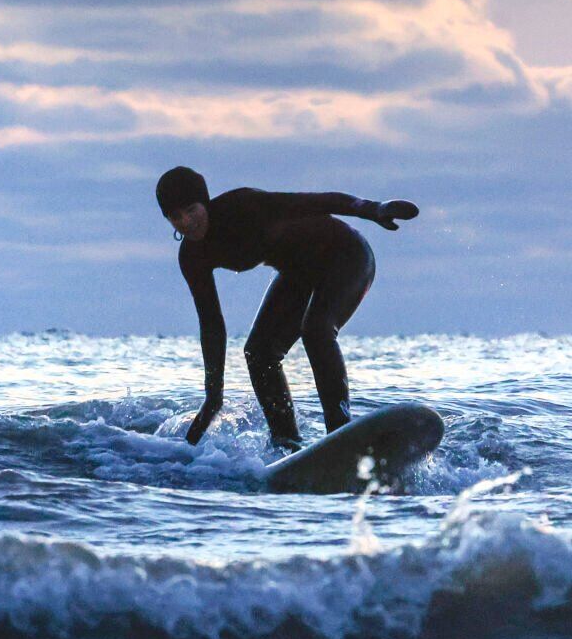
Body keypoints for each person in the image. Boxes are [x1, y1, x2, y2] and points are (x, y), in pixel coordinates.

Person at [155, 166, 418, 448]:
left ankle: (340, 432)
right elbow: (211, 325)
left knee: (316, 329)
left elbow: (314, 201)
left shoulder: (243, 205)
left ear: (205, 202)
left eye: (191, 210)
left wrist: (372, 209)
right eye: (175, 217)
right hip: (299, 273)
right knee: (259, 353)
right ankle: (286, 442)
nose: (186, 222)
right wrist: (213, 397)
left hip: (346, 254)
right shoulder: (193, 256)